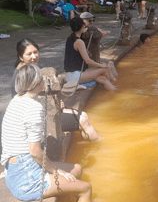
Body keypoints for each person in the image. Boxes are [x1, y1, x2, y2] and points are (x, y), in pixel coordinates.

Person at [2, 64, 93, 201]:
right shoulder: (33, 108)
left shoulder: (16, 100)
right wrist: (56, 171)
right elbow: (35, 152)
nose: (45, 79)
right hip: (26, 177)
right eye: (42, 77)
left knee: (77, 169)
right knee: (86, 188)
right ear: (37, 82)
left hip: (15, 171)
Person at [10, 38, 102, 141]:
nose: (34, 57)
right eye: (29, 54)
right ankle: (101, 146)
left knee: (83, 116)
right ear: (21, 57)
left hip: (44, 110)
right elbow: (27, 104)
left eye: (36, 52)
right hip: (38, 119)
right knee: (83, 120)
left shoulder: (33, 68)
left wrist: (59, 102)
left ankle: (97, 146)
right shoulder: (20, 78)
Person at [65, 17, 116, 91]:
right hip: (75, 76)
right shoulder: (79, 42)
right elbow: (88, 61)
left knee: (103, 78)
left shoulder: (71, 37)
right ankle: (112, 90)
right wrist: (101, 65)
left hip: (72, 74)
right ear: (83, 26)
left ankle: (111, 91)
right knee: (105, 69)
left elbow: (86, 30)